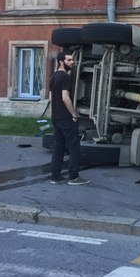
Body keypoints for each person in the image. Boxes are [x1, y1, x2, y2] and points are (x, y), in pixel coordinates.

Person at [49, 51, 90, 185]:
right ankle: (73, 177)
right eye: (69, 60)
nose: (72, 62)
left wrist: (54, 113)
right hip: (66, 118)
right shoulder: (65, 77)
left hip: (56, 118)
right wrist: (73, 114)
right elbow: (65, 98)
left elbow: (50, 98)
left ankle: (55, 177)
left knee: (58, 147)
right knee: (74, 148)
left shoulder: (53, 76)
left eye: (72, 60)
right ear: (61, 62)